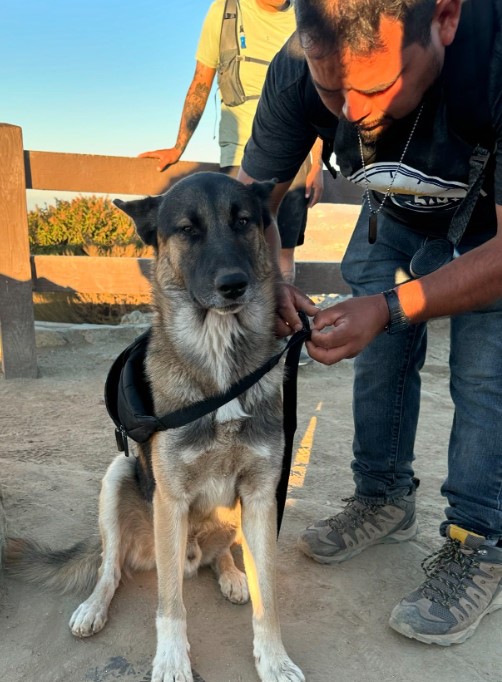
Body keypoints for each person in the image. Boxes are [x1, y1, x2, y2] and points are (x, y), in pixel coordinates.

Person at [238, 0, 502, 646]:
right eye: (334, 92)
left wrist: (392, 308)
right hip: (393, 215)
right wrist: (269, 275)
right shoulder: (301, 70)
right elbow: (244, 202)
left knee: (484, 366)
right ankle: (383, 495)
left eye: (375, 86)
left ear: (443, 18)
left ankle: (479, 542)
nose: (352, 114)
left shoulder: (493, 51)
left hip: (487, 226)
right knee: (377, 350)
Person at [139, 0, 324, 289]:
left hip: (295, 153)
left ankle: (278, 321)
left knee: (284, 249)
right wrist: (179, 146)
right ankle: (239, 325)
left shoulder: (305, 14)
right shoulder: (226, 10)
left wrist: (317, 165)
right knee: (229, 246)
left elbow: (319, 95)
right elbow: (201, 80)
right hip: (240, 148)